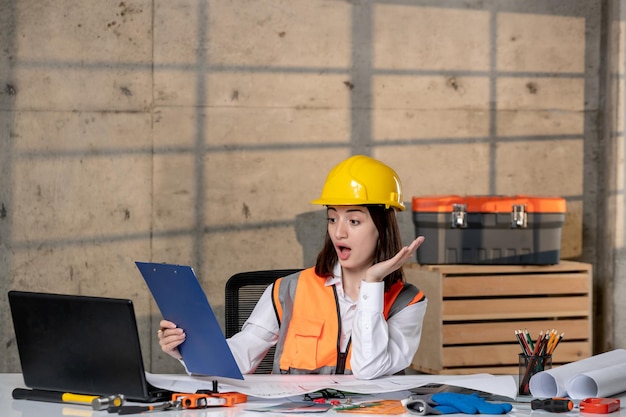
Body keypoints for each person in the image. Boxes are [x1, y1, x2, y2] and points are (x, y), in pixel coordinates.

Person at [158, 155, 427, 379]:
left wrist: (372, 284)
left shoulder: (408, 302)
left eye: (354, 221)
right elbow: (238, 359)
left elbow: (370, 369)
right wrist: (187, 348)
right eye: (332, 219)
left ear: (383, 228)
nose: (339, 233)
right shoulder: (288, 289)